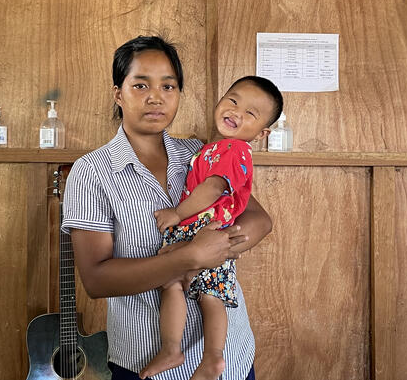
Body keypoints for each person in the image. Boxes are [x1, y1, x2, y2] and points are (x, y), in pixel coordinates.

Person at [62, 36, 273, 380]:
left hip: (228, 360)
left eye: (168, 86)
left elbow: (258, 220)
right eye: (140, 85)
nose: (155, 97)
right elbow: (96, 279)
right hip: (143, 361)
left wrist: (216, 249)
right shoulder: (92, 172)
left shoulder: (200, 153)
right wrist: (189, 257)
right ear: (119, 93)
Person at [141, 76, 283, 380]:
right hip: (195, 231)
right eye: (233, 100)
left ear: (262, 133)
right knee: (174, 285)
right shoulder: (211, 148)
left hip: (209, 229)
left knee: (210, 294)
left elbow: (214, 189)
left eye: (251, 113)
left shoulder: (235, 150)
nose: (236, 112)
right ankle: (172, 349)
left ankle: (213, 358)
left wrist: (177, 214)